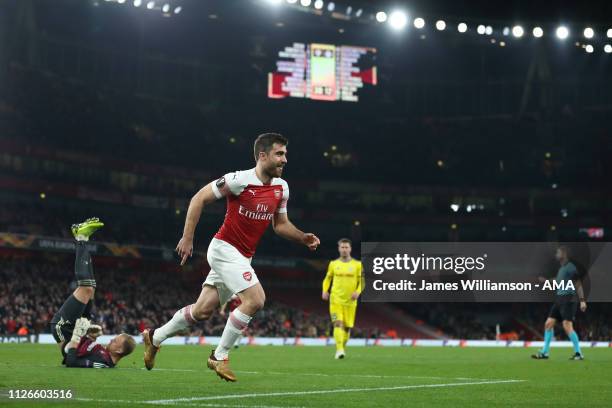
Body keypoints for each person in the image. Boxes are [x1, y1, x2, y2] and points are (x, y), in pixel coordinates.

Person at [143, 133, 320, 381]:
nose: (285, 160)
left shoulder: (282, 187)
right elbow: (198, 198)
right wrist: (187, 237)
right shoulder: (238, 180)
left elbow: (280, 225)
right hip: (224, 249)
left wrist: (302, 237)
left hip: (243, 257)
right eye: (279, 154)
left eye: (285, 154)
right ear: (263, 155)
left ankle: (155, 337)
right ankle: (220, 356)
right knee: (256, 299)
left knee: (202, 311)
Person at [49, 218, 136, 368]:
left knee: (86, 288)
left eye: (114, 341)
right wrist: (90, 333)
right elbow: (86, 348)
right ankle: (84, 238)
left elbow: (71, 362)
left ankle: (80, 238)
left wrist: (77, 335)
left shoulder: (103, 363)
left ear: (120, 350)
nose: (110, 340)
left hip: (64, 329)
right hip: (77, 329)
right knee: (91, 288)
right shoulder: (106, 354)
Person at [532, 246, 587, 360]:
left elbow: (577, 283)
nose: (556, 254)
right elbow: (557, 280)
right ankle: (544, 352)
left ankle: (578, 353)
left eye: (558, 252)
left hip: (568, 299)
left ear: (564, 253)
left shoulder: (570, 267)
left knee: (567, 326)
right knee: (548, 324)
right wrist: (546, 280)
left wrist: (582, 301)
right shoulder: (561, 269)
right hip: (559, 300)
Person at [322, 238, 363, 359]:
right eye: (342, 247)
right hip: (335, 300)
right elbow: (327, 278)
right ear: (339, 249)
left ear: (350, 249)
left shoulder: (357, 265)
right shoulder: (333, 264)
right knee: (337, 323)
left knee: (347, 327)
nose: (344, 249)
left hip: (351, 301)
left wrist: (358, 291)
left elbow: (362, 282)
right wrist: (325, 290)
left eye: (346, 247)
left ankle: (342, 347)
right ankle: (339, 350)